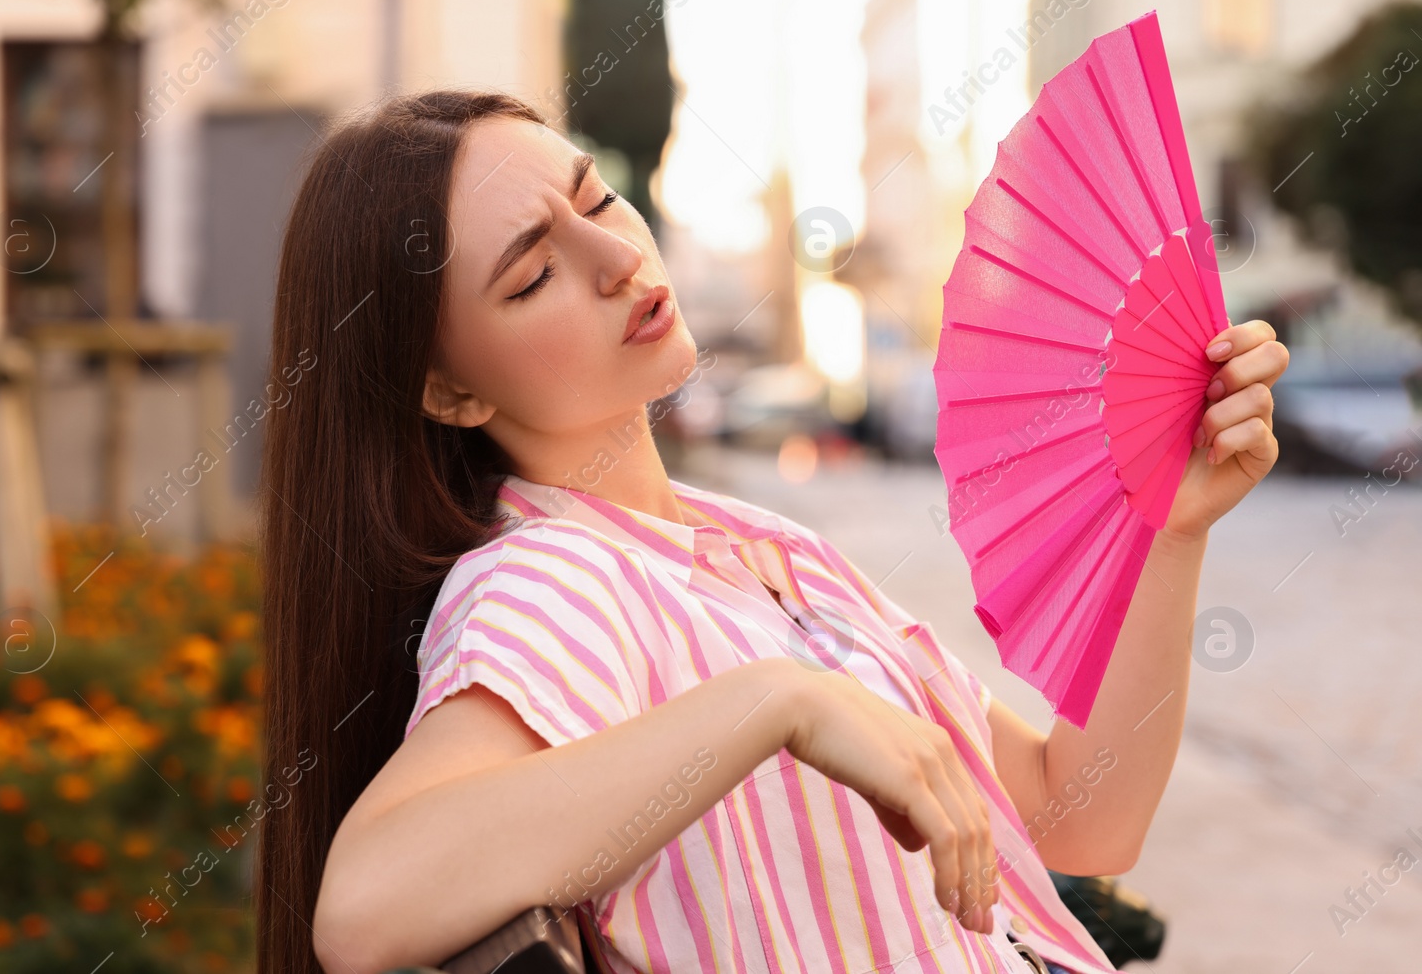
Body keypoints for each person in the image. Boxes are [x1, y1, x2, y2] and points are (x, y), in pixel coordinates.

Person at [253, 88, 1289, 974]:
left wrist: (1170, 523)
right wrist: (774, 700)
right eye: (531, 275)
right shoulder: (549, 577)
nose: (615, 256)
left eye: (597, 198)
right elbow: (365, 902)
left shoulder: (760, 550)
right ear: (449, 389)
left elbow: (1077, 812)